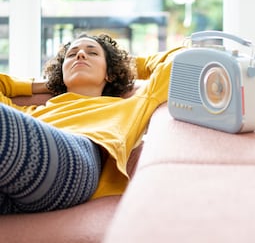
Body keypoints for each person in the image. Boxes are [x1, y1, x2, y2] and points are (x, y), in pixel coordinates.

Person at [0, 32, 181, 214]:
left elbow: (181, 60)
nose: (80, 55)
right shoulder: (31, 113)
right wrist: (44, 84)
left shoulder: (131, 104)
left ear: (109, 73)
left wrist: (126, 64)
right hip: (14, 181)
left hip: (79, 165)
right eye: (72, 55)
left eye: (92, 53)